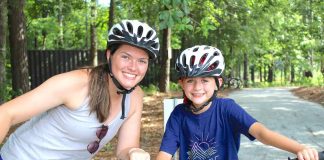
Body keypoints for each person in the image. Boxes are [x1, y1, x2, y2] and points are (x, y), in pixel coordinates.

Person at [0, 19, 159, 160]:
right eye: (125, 57)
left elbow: (125, 149)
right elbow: (6, 113)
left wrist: (133, 152)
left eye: (142, 61)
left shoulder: (135, 97)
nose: (133, 67)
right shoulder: (77, 83)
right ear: (110, 55)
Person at [156, 45, 319, 160]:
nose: (198, 87)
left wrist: (300, 148)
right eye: (190, 80)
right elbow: (165, 153)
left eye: (205, 80)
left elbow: (262, 133)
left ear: (218, 83)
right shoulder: (178, 114)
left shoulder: (227, 109)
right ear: (182, 84)